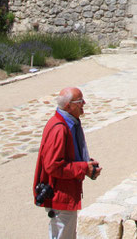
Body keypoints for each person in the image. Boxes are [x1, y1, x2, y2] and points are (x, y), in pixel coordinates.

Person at [33, 86, 102, 239]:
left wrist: (87, 166)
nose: (83, 103)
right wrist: (83, 167)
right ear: (68, 106)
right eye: (80, 101)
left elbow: (70, 157)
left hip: (65, 193)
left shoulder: (69, 123)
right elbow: (53, 166)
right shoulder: (59, 128)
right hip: (60, 195)